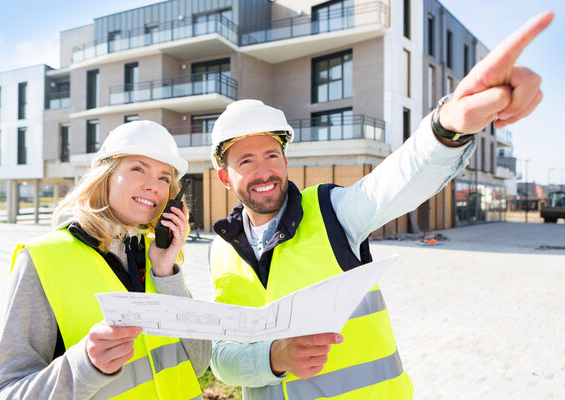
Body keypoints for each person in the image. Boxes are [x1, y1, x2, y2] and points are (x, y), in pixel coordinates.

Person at [208, 11, 553, 400]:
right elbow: (221, 356)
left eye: (271, 155)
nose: (264, 171)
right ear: (225, 177)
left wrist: (448, 126)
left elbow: (394, 183)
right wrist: (273, 358)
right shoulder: (221, 250)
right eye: (246, 161)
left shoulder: (333, 212)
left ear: (286, 161)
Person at [0, 121, 210, 399]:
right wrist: (85, 365)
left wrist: (167, 275)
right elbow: (6, 393)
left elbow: (199, 365)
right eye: (137, 169)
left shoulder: (156, 259)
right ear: (105, 175)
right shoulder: (42, 259)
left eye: (164, 178)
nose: (152, 186)